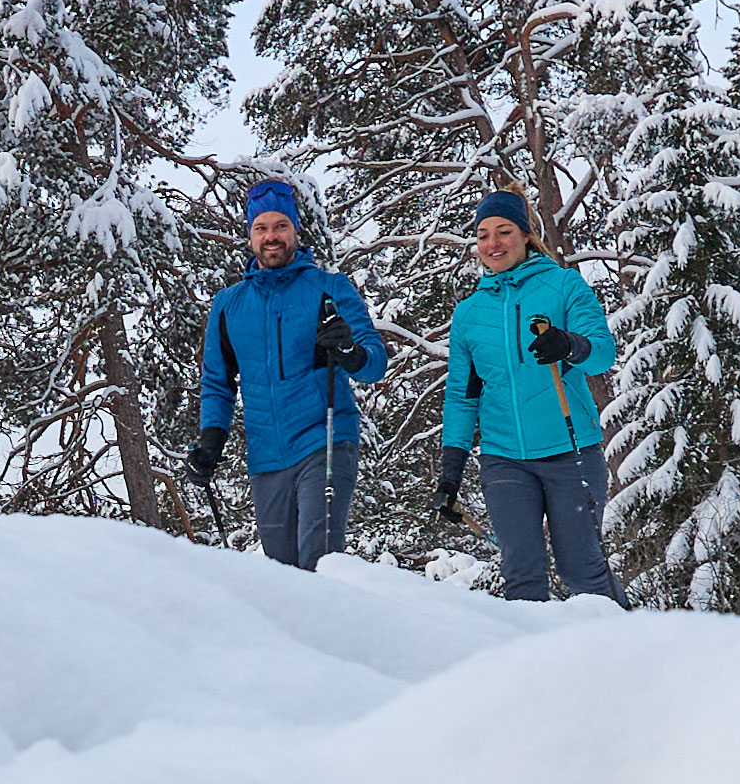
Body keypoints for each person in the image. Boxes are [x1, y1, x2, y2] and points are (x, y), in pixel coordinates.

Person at [429, 189, 620, 602]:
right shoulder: (469, 313)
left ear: (526, 235)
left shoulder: (564, 285)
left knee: (582, 571)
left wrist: (569, 344)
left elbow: (603, 353)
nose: (493, 243)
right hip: (504, 459)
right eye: (483, 235)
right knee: (521, 574)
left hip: (570, 451)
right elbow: (462, 397)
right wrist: (450, 473)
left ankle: (624, 641)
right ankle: (534, 647)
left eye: (504, 231)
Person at [189, 178, 383, 571]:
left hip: (324, 440)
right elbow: (217, 383)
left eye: (280, 226)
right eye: (261, 228)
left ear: (295, 231)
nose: (271, 237)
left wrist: (349, 350)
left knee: (318, 562)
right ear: (250, 236)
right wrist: (212, 439)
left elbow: (375, 362)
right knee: (283, 577)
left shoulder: (328, 288)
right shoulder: (229, 305)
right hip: (266, 457)